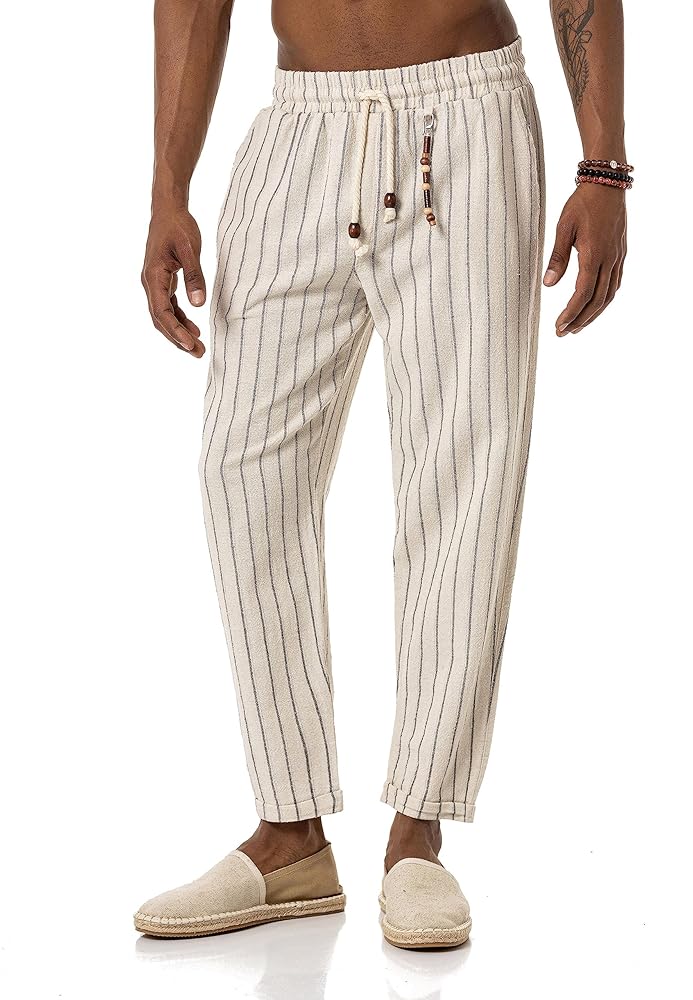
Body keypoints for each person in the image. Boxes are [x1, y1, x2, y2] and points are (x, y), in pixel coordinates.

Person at [136, 0, 628, 948]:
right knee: (244, 469)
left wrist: (601, 165)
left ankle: (418, 833)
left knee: (462, 476)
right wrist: (168, 187)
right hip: (298, 132)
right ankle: (289, 834)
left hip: (464, 124)